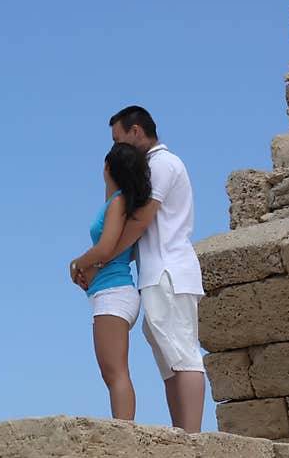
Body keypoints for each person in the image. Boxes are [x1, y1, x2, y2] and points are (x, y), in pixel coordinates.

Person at [73, 106, 206, 433]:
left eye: (119, 140)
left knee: (183, 355)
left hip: (168, 271)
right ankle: (181, 436)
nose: (119, 148)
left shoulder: (161, 164)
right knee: (169, 360)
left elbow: (138, 224)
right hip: (158, 273)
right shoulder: (156, 165)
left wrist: (96, 262)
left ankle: (191, 440)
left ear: (136, 131)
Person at [69, 142, 152, 421]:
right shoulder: (119, 201)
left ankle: (123, 433)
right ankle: (122, 429)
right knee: (112, 371)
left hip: (113, 292)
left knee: (114, 372)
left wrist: (77, 263)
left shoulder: (117, 201)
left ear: (108, 167)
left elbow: (105, 249)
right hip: (110, 291)